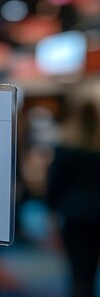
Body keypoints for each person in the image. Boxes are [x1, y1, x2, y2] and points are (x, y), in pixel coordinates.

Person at [47, 100, 100, 297]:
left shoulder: (66, 148)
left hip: (72, 216)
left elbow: (54, 183)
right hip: (96, 216)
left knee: (76, 270)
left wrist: (50, 211)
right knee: (91, 268)